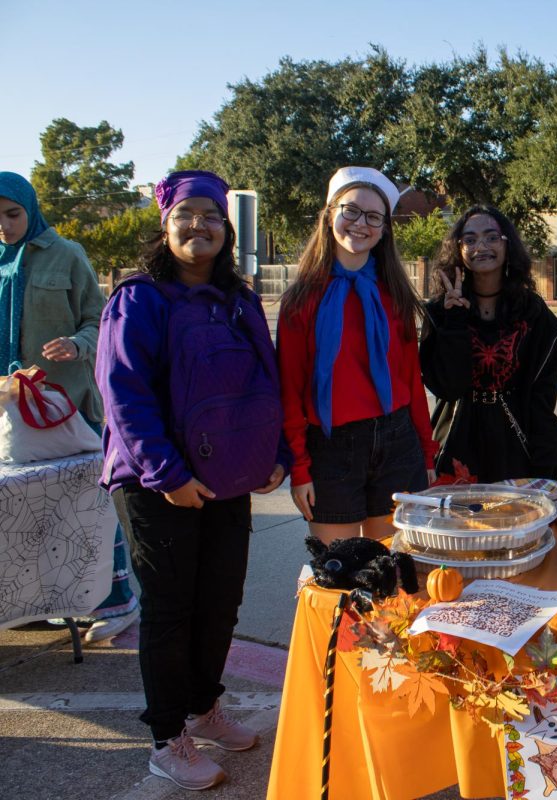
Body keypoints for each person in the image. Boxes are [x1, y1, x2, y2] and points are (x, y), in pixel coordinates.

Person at [97, 170, 288, 790]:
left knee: (220, 600)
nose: (200, 226)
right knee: (172, 609)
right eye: (187, 215)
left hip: (229, 478)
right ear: (165, 224)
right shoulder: (139, 299)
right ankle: (166, 736)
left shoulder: (239, 299)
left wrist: (275, 451)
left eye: (211, 216)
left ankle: (206, 708)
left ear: (226, 229)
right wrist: (168, 474)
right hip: (158, 485)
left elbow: (266, 379)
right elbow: (123, 396)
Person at [0, 172, 139, 643]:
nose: (4, 225)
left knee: (87, 505)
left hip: (68, 407)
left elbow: (101, 322)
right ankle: (42, 602)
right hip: (9, 410)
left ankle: (117, 601)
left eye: (12, 214)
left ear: (30, 210)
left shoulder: (67, 254)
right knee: (23, 510)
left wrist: (78, 345)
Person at [277, 167, 436, 543]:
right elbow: (289, 391)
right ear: (330, 213)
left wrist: (427, 453)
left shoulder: (395, 294)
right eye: (351, 210)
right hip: (330, 450)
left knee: (397, 576)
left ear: (384, 229)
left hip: (397, 442)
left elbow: (412, 382)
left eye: (373, 217)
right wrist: (299, 469)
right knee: (340, 578)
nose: (360, 224)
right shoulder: (300, 301)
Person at [420, 205, 557, 483]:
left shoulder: (531, 312)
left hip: (514, 442)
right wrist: (455, 322)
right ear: (458, 249)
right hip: (457, 438)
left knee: (516, 521)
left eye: (491, 237)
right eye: (470, 240)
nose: (481, 247)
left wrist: (549, 467)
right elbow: (448, 388)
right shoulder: (440, 312)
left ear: (506, 244)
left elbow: (542, 400)